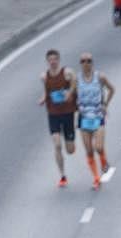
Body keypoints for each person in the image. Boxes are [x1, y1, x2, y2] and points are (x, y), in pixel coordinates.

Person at [76, 53, 115, 190]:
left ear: (92, 63)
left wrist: (105, 105)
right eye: (83, 61)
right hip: (84, 118)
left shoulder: (100, 77)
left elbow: (112, 89)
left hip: (98, 115)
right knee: (89, 151)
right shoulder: (76, 79)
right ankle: (96, 178)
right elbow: (71, 94)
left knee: (99, 147)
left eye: (89, 61)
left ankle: (104, 162)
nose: (86, 63)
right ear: (80, 64)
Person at [39, 49, 76, 187]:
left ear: (59, 60)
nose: (53, 61)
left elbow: (75, 83)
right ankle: (62, 176)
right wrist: (43, 98)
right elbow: (47, 91)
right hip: (53, 114)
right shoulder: (44, 76)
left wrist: (69, 93)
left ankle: (71, 141)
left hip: (67, 113)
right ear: (47, 61)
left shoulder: (67, 73)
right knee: (57, 145)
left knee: (70, 150)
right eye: (50, 59)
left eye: (55, 59)